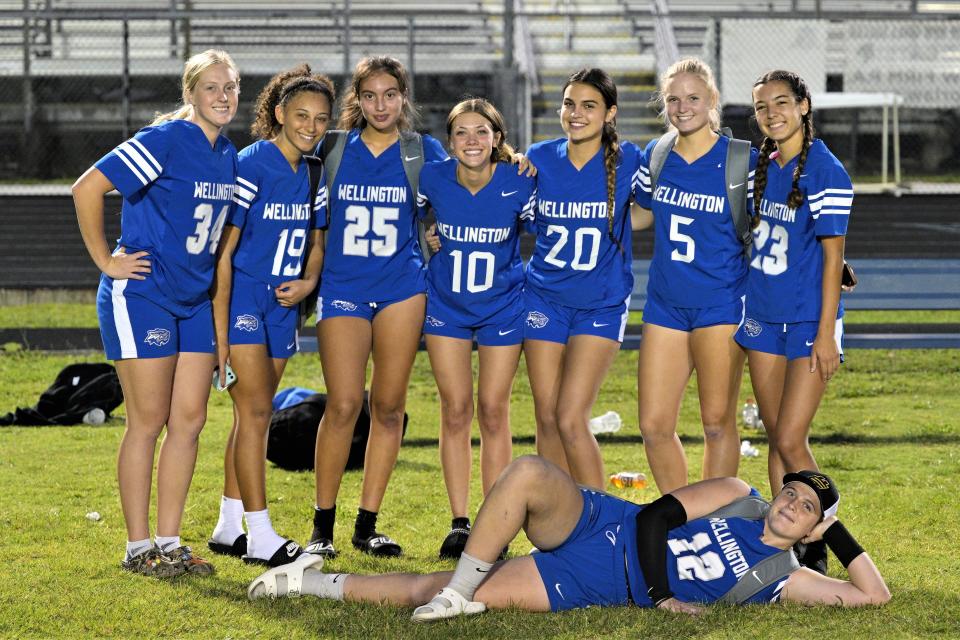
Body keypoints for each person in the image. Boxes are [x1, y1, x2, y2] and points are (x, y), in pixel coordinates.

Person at [248, 457, 889, 619]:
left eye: (806, 508)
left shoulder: (782, 579)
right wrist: (664, 596)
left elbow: (874, 598)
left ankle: (306, 582)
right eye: (791, 492)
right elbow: (651, 518)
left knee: (433, 585)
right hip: (605, 524)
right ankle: (460, 594)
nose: (789, 504)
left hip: (598, 581)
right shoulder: (736, 493)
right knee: (528, 472)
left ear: (811, 528)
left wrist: (840, 533)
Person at [72, 49, 240, 577]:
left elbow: (216, 251)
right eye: (212, 87)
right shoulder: (164, 141)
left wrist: (220, 333)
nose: (223, 96)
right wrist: (106, 260)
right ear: (190, 92)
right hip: (142, 293)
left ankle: (169, 541)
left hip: (192, 301)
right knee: (147, 420)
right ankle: (136, 546)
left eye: (231, 87)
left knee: (190, 419)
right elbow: (88, 187)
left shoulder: (228, 153)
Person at [305, 56, 447, 559]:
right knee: (343, 404)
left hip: (402, 288)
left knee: (388, 407)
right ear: (357, 100)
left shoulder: (421, 151)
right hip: (343, 287)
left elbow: (466, 183)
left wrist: (516, 159)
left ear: (403, 98)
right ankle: (322, 526)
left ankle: (367, 525)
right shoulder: (334, 148)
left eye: (390, 95)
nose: (380, 105)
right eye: (370, 96)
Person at [206, 65, 334, 567]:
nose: (310, 126)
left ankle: (226, 525)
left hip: (285, 307)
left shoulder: (315, 170)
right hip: (242, 301)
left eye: (321, 118)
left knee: (250, 416)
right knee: (256, 412)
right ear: (278, 113)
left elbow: (317, 244)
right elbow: (223, 254)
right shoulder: (250, 164)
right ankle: (260, 535)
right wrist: (220, 336)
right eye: (301, 115)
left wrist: (307, 283)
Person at [734, 70, 853, 573]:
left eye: (782, 103)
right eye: (762, 107)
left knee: (789, 437)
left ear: (804, 105)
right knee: (777, 436)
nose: (772, 114)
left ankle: (824, 543)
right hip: (762, 316)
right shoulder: (763, 165)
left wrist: (826, 333)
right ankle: (782, 544)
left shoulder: (826, 170)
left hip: (807, 322)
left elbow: (832, 259)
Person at [416, 98, 535, 558]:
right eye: (461, 132)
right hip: (447, 305)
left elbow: (545, 232)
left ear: (497, 139)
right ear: (449, 142)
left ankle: (496, 520)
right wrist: (430, 232)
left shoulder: (518, 180)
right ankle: (460, 522)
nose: (472, 140)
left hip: (502, 307)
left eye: (481, 132)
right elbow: (414, 219)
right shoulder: (433, 177)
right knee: (455, 409)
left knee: (493, 410)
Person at [633, 58, 756, 493]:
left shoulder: (742, 160)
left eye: (692, 98)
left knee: (717, 424)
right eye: (672, 99)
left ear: (712, 100)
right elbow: (642, 217)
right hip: (666, 303)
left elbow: (775, 224)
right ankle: (676, 516)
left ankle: (715, 519)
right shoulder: (658, 153)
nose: (682, 107)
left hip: (721, 302)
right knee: (653, 424)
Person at [522, 68, 646, 489]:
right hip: (543, 298)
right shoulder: (537, 157)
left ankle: (599, 523)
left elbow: (649, 211)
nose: (576, 114)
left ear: (609, 113)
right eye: (569, 104)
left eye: (588, 106)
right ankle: (553, 520)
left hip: (602, 302)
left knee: (571, 416)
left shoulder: (630, 159)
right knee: (545, 415)